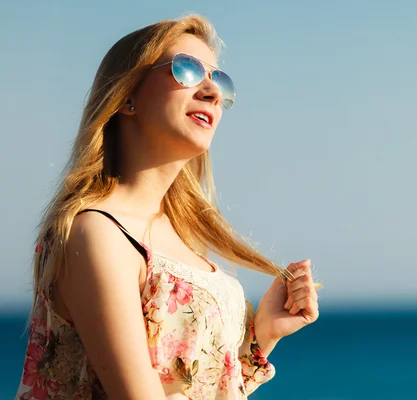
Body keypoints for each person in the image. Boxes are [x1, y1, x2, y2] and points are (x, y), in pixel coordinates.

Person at [15, 14, 320, 400]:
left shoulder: (177, 238)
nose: (211, 91)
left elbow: (204, 389)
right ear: (126, 96)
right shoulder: (97, 232)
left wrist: (264, 334)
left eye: (219, 80)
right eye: (187, 70)